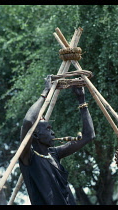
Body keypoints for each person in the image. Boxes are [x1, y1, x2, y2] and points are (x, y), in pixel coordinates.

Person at [19, 75, 95, 205]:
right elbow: (28, 121)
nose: (53, 132)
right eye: (48, 129)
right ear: (36, 135)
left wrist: (81, 100)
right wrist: (45, 93)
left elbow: (89, 135)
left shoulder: (54, 154)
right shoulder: (28, 157)